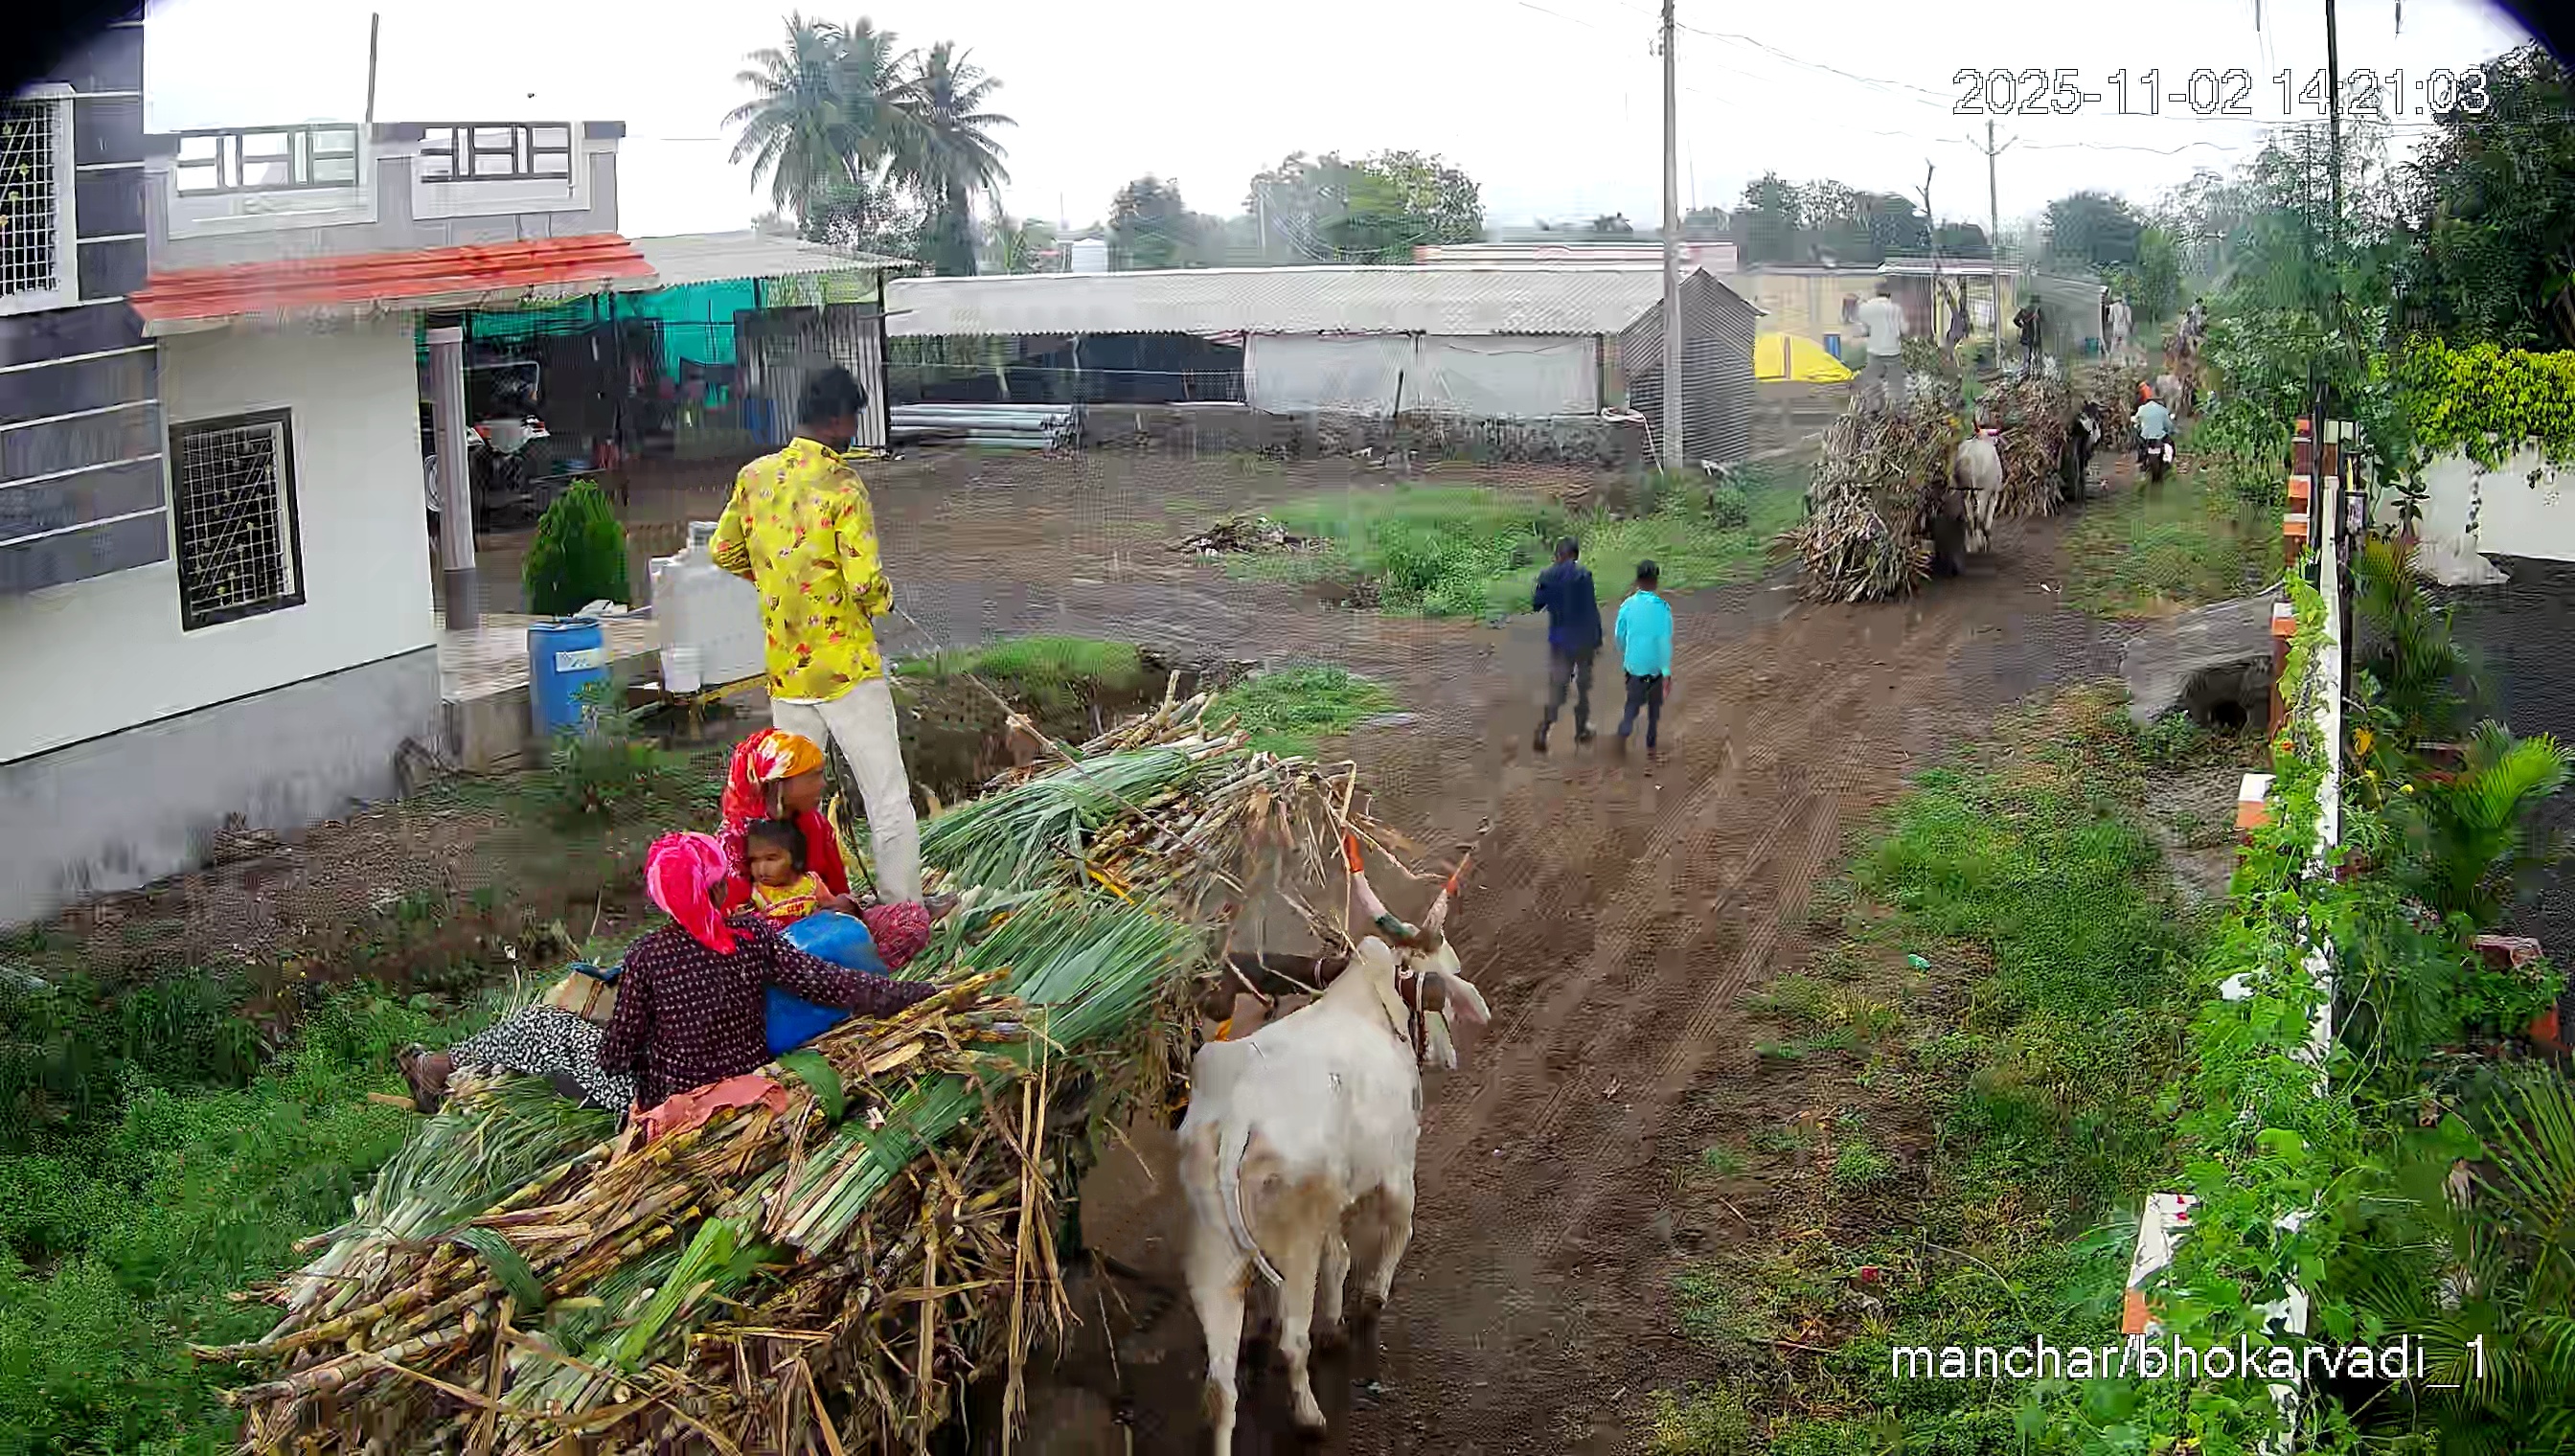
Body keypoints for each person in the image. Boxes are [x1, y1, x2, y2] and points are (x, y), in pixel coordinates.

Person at [713, 367, 922, 911]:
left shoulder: (753, 476)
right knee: (886, 796)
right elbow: (864, 581)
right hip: (846, 670)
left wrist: (777, 583)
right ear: (837, 419)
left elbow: (723, 550)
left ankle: (784, 912)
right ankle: (903, 910)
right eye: (853, 418)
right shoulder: (842, 484)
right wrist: (883, 601)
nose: (852, 430)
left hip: (787, 672)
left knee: (785, 806)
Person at [599, 832, 939, 1114]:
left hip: (676, 1092)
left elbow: (617, 1053)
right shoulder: (750, 936)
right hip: (749, 1072)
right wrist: (913, 993)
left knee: (556, 1030)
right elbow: (829, 982)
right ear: (718, 890)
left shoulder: (645, 957)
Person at [717, 727, 933, 969]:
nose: (822, 784)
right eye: (812, 776)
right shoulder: (734, 841)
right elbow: (733, 927)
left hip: (830, 934)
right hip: (776, 954)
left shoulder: (815, 825)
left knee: (911, 918)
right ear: (780, 785)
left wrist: (845, 905)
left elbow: (839, 892)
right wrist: (799, 922)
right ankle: (844, 981)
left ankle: (846, 979)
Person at [1530, 536, 1602, 753]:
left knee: (1558, 688)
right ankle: (1581, 730)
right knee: (1583, 687)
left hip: (1560, 641)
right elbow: (1591, 610)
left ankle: (1544, 729)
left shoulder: (1547, 576)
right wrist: (1597, 639)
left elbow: (1536, 605)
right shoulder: (1584, 575)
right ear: (1575, 555)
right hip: (1583, 640)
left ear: (1557, 555)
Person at [1612, 559, 1675, 761]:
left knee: (1631, 706)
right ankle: (1651, 751)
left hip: (1634, 667)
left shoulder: (1627, 606)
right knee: (1654, 713)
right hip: (1655, 669)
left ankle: (1623, 735)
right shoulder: (1663, 608)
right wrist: (1666, 672)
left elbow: (1619, 636)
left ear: (1637, 580)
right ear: (1656, 581)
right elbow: (1664, 642)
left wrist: (1628, 654)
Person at [745, 817, 836, 926]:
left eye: (771, 858)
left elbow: (834, 911)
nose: (761, 869)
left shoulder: (812, 883)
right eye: (754, 860)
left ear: (794, 856)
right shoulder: (757, 894)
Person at [1854, 281, 1906, 410]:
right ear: (1889, 293)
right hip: (1893, 351)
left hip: (1875, 351)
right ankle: (1898, 412)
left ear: (1876, 292)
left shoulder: (1866, 307)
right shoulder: (1897, 308)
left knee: (1872, 383)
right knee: (1896, 385)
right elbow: (1904, 330)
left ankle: (1874, 410)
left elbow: (1863, 330)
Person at [2013, 298, 2045, 374]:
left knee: (2029, 357)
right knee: (2031, 357)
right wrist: (2023, 325)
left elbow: (2016, 320)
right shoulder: (2032, 310)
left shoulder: (2027, 310)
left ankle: (2030, 372)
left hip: (2030, 337)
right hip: (2032, 336)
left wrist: (2022, 325)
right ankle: (2030, 372)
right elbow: (2016, 320)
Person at [2108, 295, 2133, 364]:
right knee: (2125, 346)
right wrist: (2131, 330)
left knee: (2114, 346)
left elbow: (2110, 319)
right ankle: (2126, 363)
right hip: (2125, 329)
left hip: (2116, 329)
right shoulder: (2127, 308)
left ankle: (2110, 362)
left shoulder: (2114, 307)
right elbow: (2129, 321)